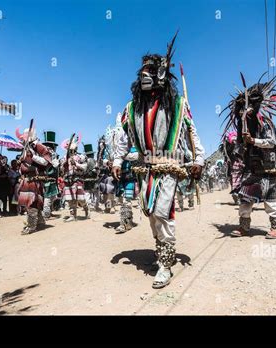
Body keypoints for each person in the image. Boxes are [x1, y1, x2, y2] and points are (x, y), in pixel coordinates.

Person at [112, 34, 205, 288]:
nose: (144, 76)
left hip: (169, 166)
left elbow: (190, 131)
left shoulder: (177, 103)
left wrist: (198, 158)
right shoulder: (132, 108)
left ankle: (165, 264)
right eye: (142, 71)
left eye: (150, 71)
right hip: (145, 169)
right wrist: (117, 160)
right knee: (151, 213)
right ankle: (162, 251)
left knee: (163, 212)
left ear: (161, 74)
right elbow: (123, 137)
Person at [222, 73, 276, 240]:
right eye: (241, 108)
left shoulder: (266, 123)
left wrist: (254, 140)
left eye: (247, 107)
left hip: (267, 168)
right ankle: (244, 227)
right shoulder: (244, 126)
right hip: (250, 169)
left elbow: (272, 142)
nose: (244, 111)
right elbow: (240, 148)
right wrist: (240, 147)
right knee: (245, 199)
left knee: (270, 200)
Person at [16, 126, 53, 235]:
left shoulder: (39, 146)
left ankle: (31, 226)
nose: (23, 139)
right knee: (30, 203)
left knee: (31, 204)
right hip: (26, 180)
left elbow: (46, 162)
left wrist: (33, 156)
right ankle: (40, 222)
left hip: (35, 180)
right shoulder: (25, 148)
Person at [60, 134, 92, 222]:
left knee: (81, 199)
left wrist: (76, 164)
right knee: (70, 199)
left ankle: (86, 208)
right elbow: (61, 170)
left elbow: (85, 167)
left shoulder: (81, 156)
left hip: (78, 178)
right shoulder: (64, 158)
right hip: (68, 179)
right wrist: (64, 165)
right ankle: (73, 216)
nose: (72, 151)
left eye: (73, 149)